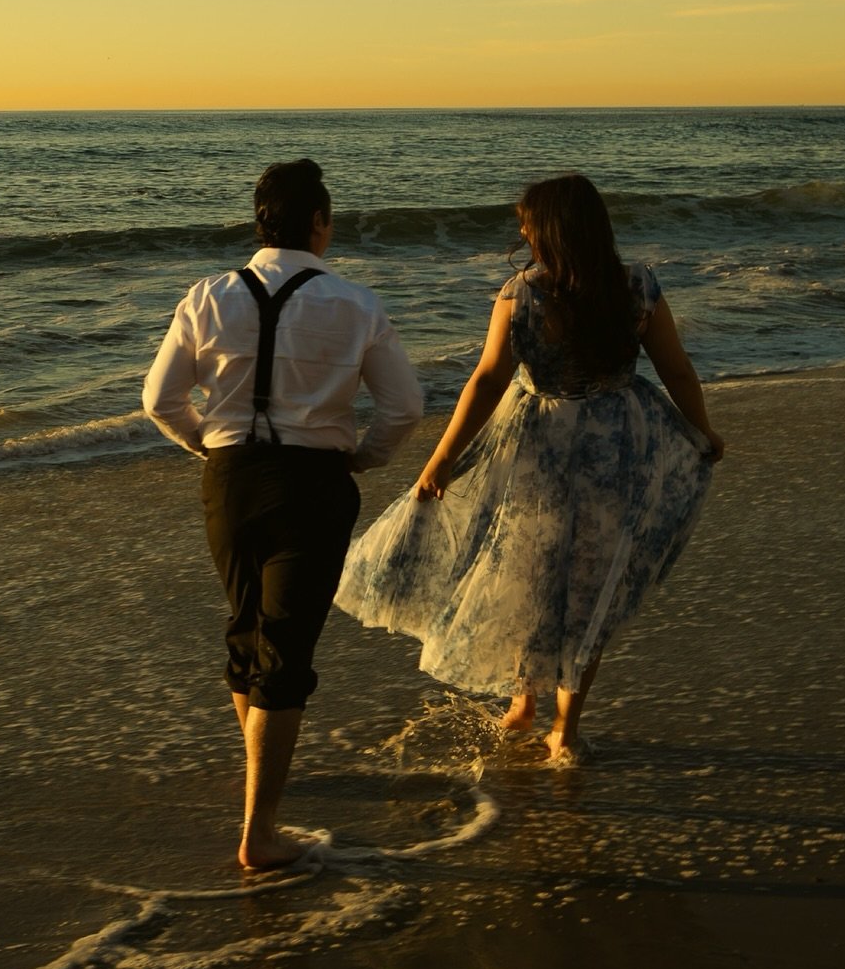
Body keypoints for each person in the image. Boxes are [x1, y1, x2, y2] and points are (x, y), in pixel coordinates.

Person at [336, 172, 723, 763]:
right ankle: (564, 730)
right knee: (588, 588)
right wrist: (700, 430)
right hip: (618, 446)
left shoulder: (522, 293)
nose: (520, 230)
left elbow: (489, 379)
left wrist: (442, 459)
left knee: (529, 571)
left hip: (537, 447)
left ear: (549, 231)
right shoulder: (637, 287)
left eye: (527, 222)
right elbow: (677, 370)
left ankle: (523, 704)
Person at [143, 159, 423, 868]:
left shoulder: (208, 296)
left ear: (259, 222)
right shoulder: (355, 304)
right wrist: (364, 458)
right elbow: (404, 407)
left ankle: (257, 792)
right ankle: (260, 834)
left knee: (249, 632)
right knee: (287, 651)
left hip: (231, 478)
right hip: (315, 482)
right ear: (320, 224)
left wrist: (209, 449)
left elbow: (159, 400)